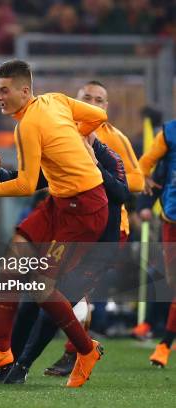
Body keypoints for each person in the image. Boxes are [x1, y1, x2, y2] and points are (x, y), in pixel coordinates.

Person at [0, 59, 108, 388]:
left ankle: (86, 350)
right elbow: (98, 117)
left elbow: (24, 184)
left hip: (84, 209)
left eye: (4, 91)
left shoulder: (29, 125)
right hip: (60, 202)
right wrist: (74, 139)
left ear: (24, 90)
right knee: (10, 266)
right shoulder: (56, 100)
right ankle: (1, 350)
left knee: (40, 286)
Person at [0, 130, 128, 384]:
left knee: (52, 308)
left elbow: (122, 194)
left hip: (97, 251)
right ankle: (10, 365)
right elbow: (29, 179)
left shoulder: (110, 157)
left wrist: (95, 166)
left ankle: (23, 366)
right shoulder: (62, 155)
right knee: (33, 299)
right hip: (68, 242)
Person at [43, 79, 144, 377]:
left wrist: (95, 171)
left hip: (111, 227)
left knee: (74, 292)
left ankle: (76, 352)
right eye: (86, 98)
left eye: (98, 99)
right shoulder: (62, 134)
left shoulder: (112, 138)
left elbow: (135, 181)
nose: (92, 103)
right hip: (71, 223)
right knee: (50, 288)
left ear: (106, 107)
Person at [138, 118, 176, 368]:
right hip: (172, 219)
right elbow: (145, 163)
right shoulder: (170, 132)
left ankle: (165, 344)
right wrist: (143, 178)